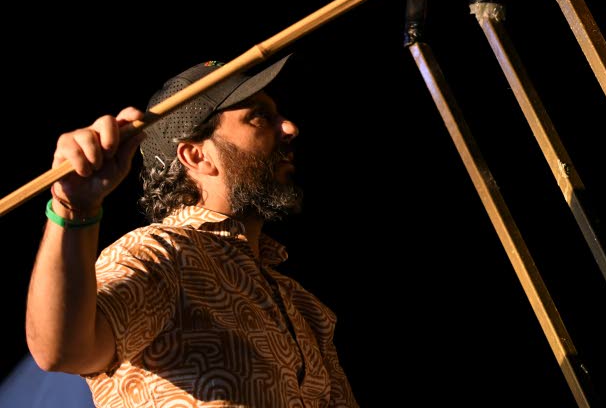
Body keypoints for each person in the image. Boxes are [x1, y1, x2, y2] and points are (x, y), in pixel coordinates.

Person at [24, 55, 359, 407]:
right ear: (197, 157)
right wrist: (73, 209)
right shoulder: (159, 253)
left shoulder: (302, 304)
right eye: (259, 116)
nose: (289, 128)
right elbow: (61, 350)